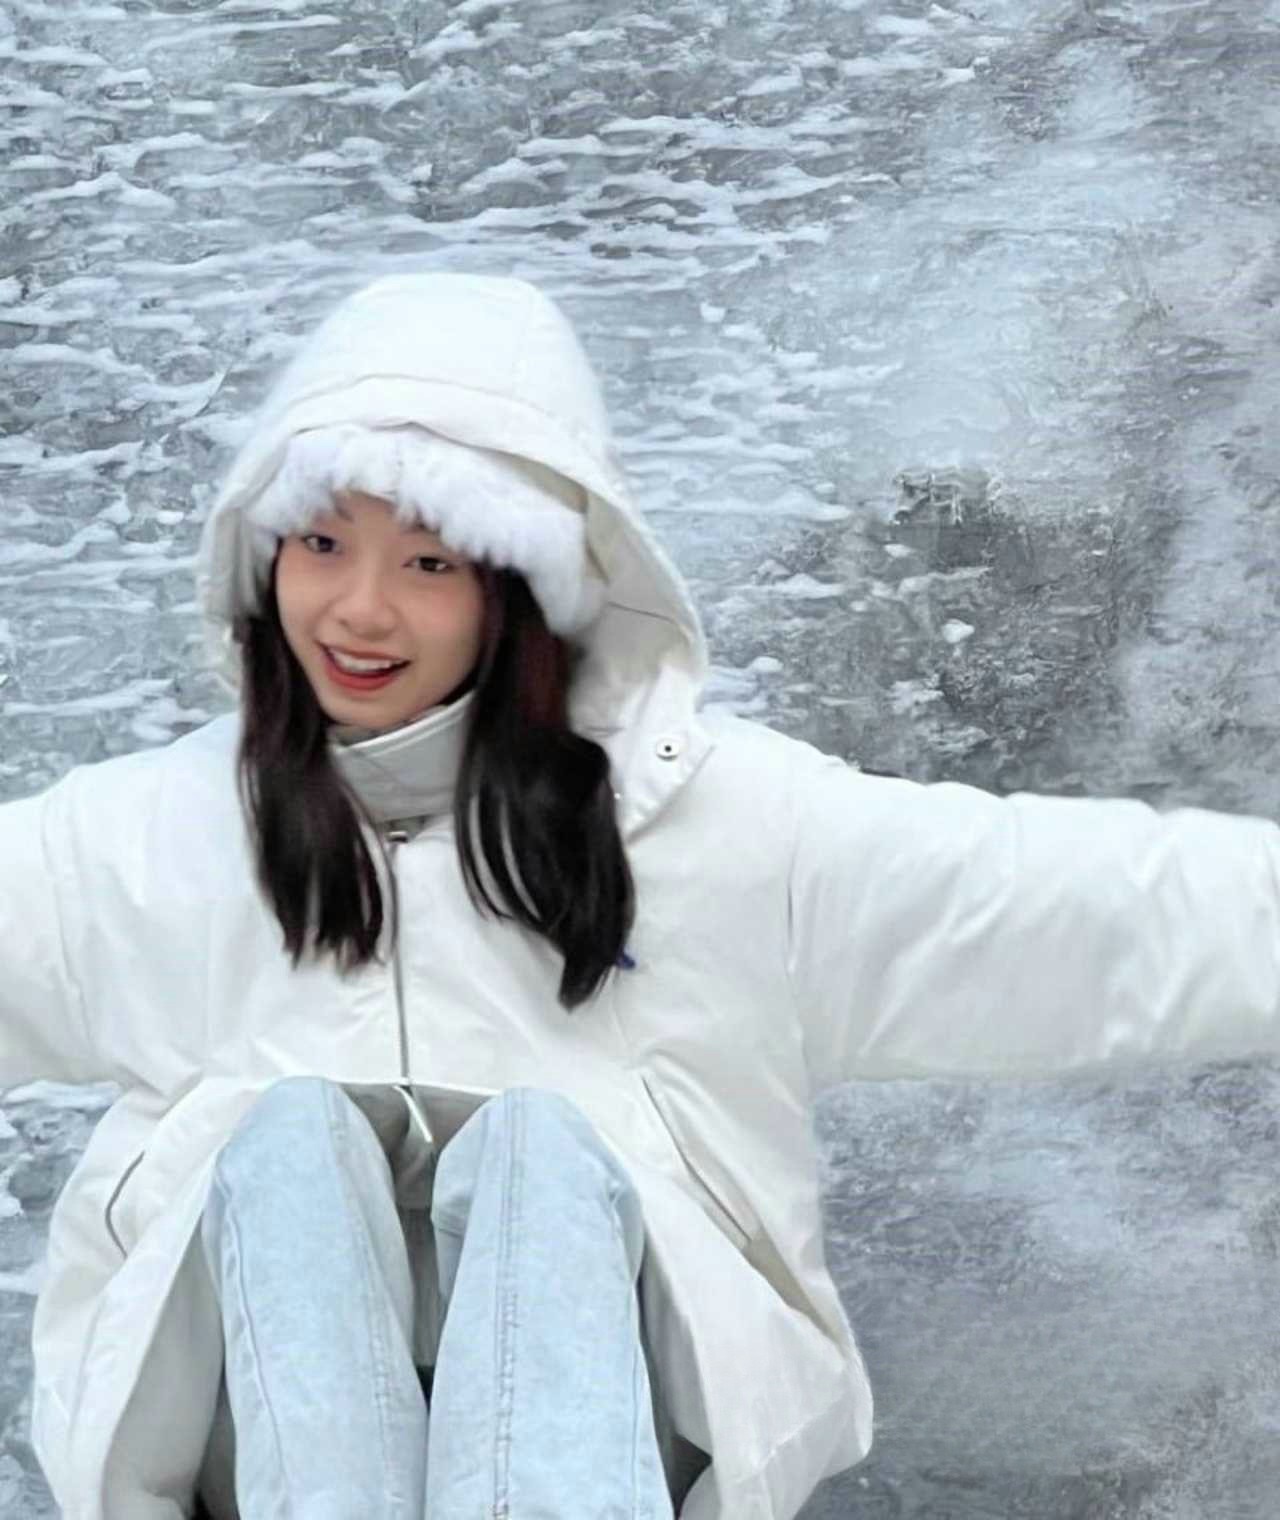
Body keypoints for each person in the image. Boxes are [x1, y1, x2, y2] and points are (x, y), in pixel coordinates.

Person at [4, 271, 1280, 1520]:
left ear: (514, 592)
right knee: (287, 1142)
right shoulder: (149, 840)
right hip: (258, 1460)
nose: (360, 609)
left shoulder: (718, 830)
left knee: (541, 1154)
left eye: (429, 562)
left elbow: (1070, 909)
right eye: (323, 543)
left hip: (616, 1442)